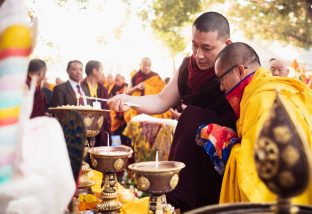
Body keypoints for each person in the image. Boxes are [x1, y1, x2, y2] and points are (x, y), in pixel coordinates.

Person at [108, 12, 236, 211]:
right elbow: (161, 100)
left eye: (207, 48)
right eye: (194, 45)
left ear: (227, 44)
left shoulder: (237, 69)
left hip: (220, 158)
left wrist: (196, 115)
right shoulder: (188, 66)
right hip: (191, 154)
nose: (198, 54)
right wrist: (129, 100)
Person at [214, 42, 312, 204]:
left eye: (221, 79)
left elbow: (257, 171)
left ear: (239, 70)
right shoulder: (275, 89)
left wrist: (227, 144)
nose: (221, 88)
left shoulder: (260, 100)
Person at [124, 57, 171, 122]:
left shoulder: (155, 77)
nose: (147, 67)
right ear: (140, 65)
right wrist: (137, 87)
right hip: (136, 108)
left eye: (149, 65)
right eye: (145, 65)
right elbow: (127, 92)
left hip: (151, 107)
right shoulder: (135, 76)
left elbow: (162, 92)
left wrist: (147, 87)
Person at [81, 60, 111, 147]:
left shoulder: (103, 89)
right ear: (94, 71)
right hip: (85, 128)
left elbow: (106, 111)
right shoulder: (80, 87)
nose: (103, 73)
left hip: (101, 129)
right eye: (101, 69)